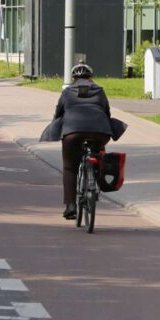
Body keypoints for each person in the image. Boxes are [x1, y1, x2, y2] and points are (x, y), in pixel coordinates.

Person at [50, 63, 114, 220]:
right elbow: (107, 112)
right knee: (99, 153)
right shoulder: (100, 90)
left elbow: (58, 114)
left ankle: (70, 205)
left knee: (70, 168)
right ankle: (97, 177)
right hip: (100, 132)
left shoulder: (67, 92)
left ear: (73, 78)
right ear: (91, 77)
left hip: (73, 132)